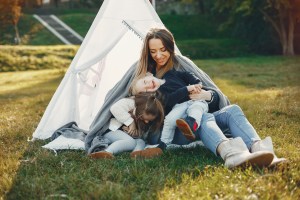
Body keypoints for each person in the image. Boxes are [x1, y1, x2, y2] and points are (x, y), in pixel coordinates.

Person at [130, 27, 286, 168]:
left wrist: (207, 95)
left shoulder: (180, 68)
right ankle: (232, 155)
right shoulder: (147, 77)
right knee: (202, 117)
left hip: (197, 115)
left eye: (163, 49)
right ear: (148, 52)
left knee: (232, 110)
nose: (158, 55)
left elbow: (214, 96)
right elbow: (150, 108)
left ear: (170, 47)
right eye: (153, 51)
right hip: (175, 128)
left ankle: (264, 152)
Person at [131, 71, 208, 148]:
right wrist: (186, 89)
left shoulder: (169, 74)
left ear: (149, 74)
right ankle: (164, 143)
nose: (148, 86)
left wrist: (197, 83)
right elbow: (170, 100)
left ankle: (192, 125)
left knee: (196, 110)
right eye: (146, 90)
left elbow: (187, 75)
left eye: (145, 82)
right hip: (179, 107)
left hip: (195, 101)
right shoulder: (158, 96)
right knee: (170, 119)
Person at [89, 92, 164, 159]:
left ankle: (136, 154)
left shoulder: (142, 116)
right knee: (130, 142)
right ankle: (106, 152)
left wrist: (135, 133)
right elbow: (115, 108)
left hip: (122, 135)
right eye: (144, 118)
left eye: (149, 120)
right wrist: (131, 122)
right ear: (142, 109)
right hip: (111, 131)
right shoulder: (131, 103)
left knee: (141, 141)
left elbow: (137, 133)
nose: (146, 122)